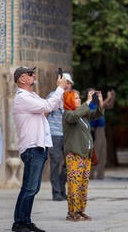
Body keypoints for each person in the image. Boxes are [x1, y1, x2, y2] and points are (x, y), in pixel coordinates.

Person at [12, 67, 67, 232]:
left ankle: (26, 221)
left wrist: (59, 92)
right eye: (30, 74)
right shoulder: (22, 97)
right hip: (32, 147)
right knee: (29, 188)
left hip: (39, 145)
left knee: (32, 188)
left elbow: (50, 106)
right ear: (22, 78)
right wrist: (60, 88)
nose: (34, 76)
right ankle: (19, 223)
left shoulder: (32, 96)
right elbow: (48, 105)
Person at [63, 90, 104, 221]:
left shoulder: (83, 115)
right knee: (74, 185)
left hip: (86, 155)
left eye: (79, 98)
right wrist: (87, 102)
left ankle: (80, 210)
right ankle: (72, 212)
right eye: (76, 98)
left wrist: (100, 103)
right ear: (69, 101)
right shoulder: (68, 114)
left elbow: (96, 114)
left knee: (82, 185)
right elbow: (74, 115)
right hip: (75, 155)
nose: (79, 100)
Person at [46, 72, 74, 201]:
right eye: (66, 82)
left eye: (69, 83)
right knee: (55, 162)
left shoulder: (72, 97)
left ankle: (62, 189)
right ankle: (56, 192)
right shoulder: (54, 96)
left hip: (67, 134)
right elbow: (45, 112)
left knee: (69, 163)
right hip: (55, 134)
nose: (67, 85)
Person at [89, 89, 115, 180]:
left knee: (102, 152)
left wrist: (112, 97)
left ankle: (100, 174)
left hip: (101, 128)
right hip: (93, 130)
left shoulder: (98, 103)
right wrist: (108, 97)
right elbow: (101, 107)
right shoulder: (89, 104)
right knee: (94, 151)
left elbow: (109, 106)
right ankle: (90, 174)